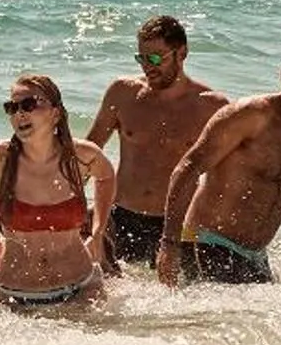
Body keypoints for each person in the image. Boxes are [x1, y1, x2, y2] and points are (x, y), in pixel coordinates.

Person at [157, 34, 281, 287]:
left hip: (254, 258)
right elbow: (188, 169)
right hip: (207, 244)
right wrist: (169, 244)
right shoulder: (249, 116)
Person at [86, 15, 229, 271]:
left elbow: (228, 177)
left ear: (182, 53)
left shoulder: (211, 106)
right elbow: (89, 153)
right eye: (141, 58)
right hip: (120, 218)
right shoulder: (122, 93)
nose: (147, 67)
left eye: (155, 58)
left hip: (178, 227)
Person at [0, 74, 116, 310]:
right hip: (13, 294)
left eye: (29, 105)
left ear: (56, 113)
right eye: (12, 107)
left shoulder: (81, 157)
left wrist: (97, 232)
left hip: (81, 288)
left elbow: (106, 177)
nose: (19, 113)